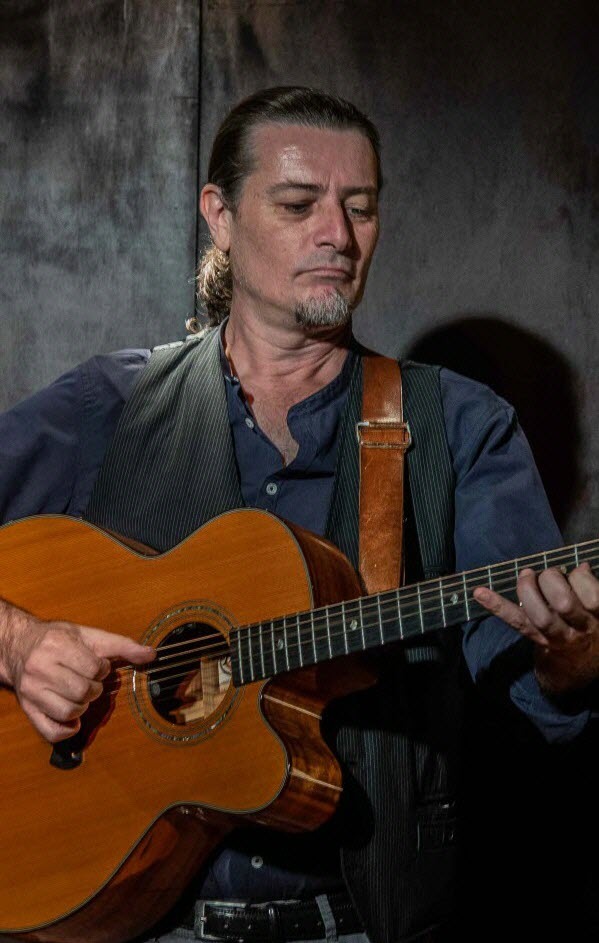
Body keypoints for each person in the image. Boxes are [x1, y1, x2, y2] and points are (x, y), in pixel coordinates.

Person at [0, 86, 597, 943]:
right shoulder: (108, 402)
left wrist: (569, 664)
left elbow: (529, 692)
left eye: (360, 207)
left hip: (367, 920)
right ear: (220, 214)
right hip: (136, 916)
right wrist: (22, 644)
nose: (338, 235)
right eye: (297, 203)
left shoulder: (458, 423)